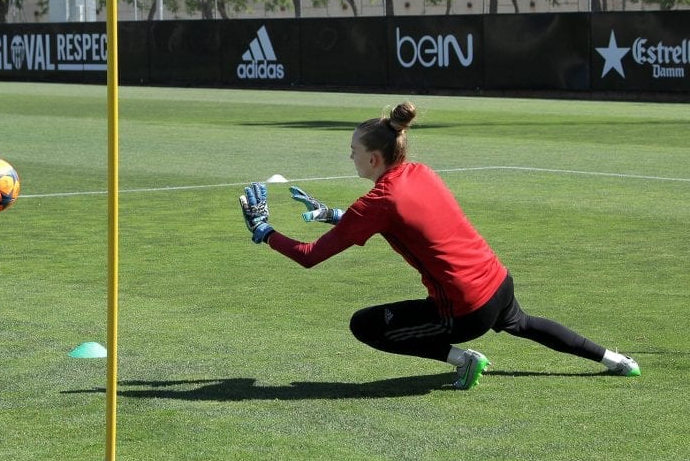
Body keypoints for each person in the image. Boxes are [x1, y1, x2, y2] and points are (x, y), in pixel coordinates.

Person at [239, 101, 640, 390]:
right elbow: (409, 222)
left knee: (365, 325)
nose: (351, 159)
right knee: (523, 323)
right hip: (498, 282)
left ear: (375, 158)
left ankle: (464, 360)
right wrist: (332, 215)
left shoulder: (376, 203)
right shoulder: (419, 172)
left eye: (354, 153)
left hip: (466, 309)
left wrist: (264, 230)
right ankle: (616, 360)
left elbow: (310, 257)